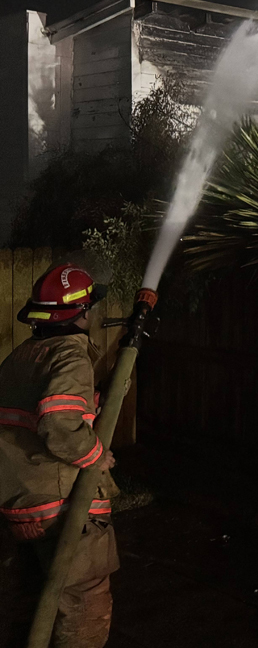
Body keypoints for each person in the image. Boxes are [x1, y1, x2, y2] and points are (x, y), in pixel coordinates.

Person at [0, 264, 119, 648]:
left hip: (22, 502)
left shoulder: (21, 356)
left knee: (33, 604)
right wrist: (97, 456)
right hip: (63, 507)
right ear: (81, 313)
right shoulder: (70, 355)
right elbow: (59, 425)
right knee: (84, 606)